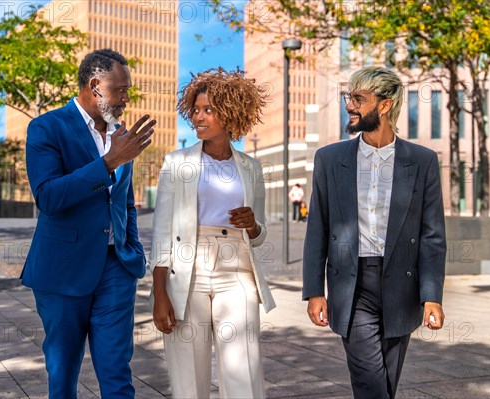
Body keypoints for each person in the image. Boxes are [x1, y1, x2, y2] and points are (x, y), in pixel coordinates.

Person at [302, 66, 446, 399]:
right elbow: (318, 227)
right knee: (370, 381)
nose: (349, 105)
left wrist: (432, 296)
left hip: (402, 285)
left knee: (385, 382)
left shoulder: (422, 161)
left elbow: (432, 235)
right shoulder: (329, 159)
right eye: (347, 97)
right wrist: (314, 289)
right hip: (352, 285)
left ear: (384, 105)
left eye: (358, 99)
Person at [21, 49, 156, 398]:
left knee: (116, 372)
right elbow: (48, 197)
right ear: (95, 86)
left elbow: (124, 201)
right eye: (120, 90)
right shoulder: (47, 127)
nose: (126, 98)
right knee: (63, 375)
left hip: (116, 268)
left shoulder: (121, 134)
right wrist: (109, 161)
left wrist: (133, 251)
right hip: (63, 270)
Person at [150, 67, 275, 399]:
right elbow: (162, 230)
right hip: (187, 269)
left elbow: (259, 235)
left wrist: (253, 224)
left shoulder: (251, 167)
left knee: (243, 368)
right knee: (188, 376)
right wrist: (159, 293)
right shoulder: (177, 163)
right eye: (196, 109)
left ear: (231, 113)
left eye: (208, 109)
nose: (198, 116)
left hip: (237, 270)